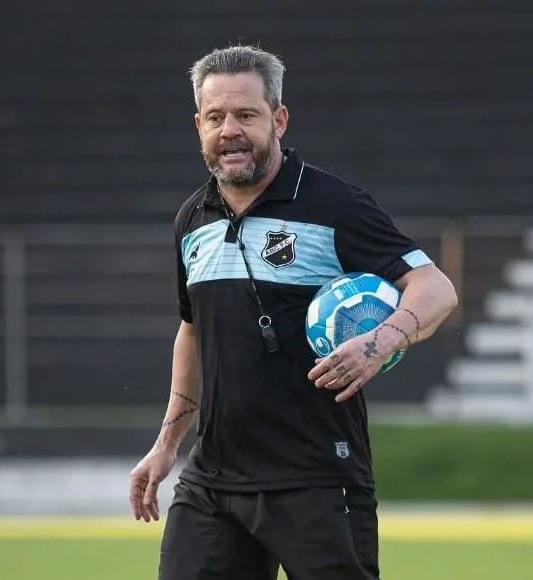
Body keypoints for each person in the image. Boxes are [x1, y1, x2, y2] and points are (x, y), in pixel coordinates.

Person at [128, 45, 458, 580]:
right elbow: (191, 332)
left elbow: (435, 288)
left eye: (246, 115)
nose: (229, 131)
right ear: (198, 126)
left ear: (278, 119)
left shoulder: (333, 205)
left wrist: (379, 342)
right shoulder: (192, 220)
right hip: (213, 482)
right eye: (215, 117)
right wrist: (166, 445)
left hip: (318, 479)